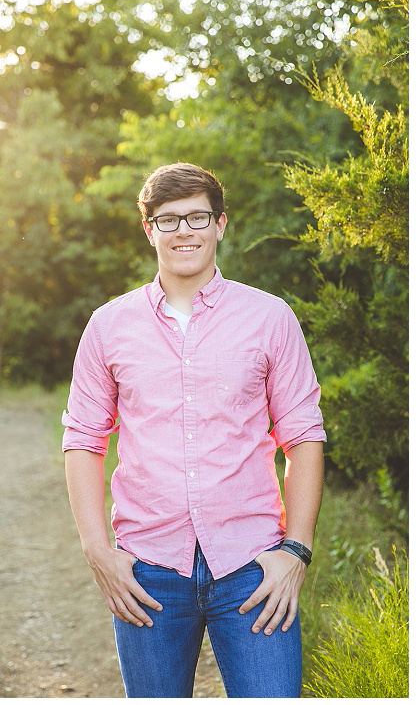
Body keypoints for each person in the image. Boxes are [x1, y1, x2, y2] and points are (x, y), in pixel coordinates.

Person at [63, 160, 325, 700]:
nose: (184, 230)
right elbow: (84, 440)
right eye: (168, 220)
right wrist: (97, 551)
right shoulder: (108, 326)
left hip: (253, 566)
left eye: (197, 217)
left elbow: (302, 435)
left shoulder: (270, 318)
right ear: (149, 230)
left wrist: (295, 552)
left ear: (220, 224)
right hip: (148, 570)